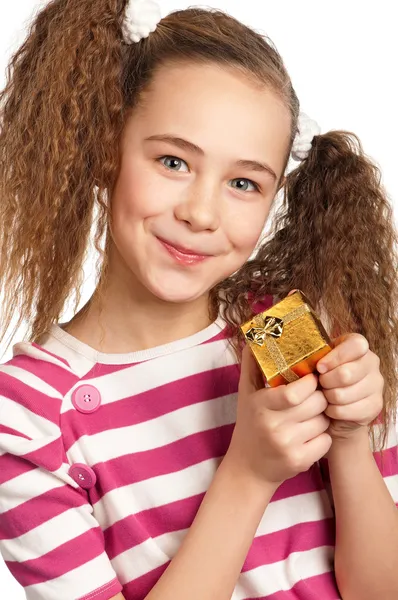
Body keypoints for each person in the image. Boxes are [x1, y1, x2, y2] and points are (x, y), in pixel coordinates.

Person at [0, 1, 398, 599]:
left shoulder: (285, 326)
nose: (201, 214)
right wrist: (249, 472)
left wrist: (347, 442)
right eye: (173, 161)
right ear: (106, 148)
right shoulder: (26, 416)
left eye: (243, 183)